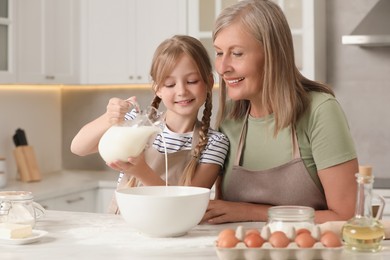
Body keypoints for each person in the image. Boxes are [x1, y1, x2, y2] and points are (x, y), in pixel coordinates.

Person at [202, 0, 358, 224]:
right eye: (218, 53)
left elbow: (347, 216)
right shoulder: (229, 119)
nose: (222, 67)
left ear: (272, 55)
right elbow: (221, 210)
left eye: (236, 53)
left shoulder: (320, 111)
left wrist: (250, 212)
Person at [71, 35, 229, 213]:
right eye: (170, 84)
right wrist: (108, 118)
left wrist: (141, 171)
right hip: (119, 231)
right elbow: (78, 148)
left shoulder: (214, 143)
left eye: (192, 81)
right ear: (158, 89)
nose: (182, 91)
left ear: (209, 82)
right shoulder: (136, 123)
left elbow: (187, 207)